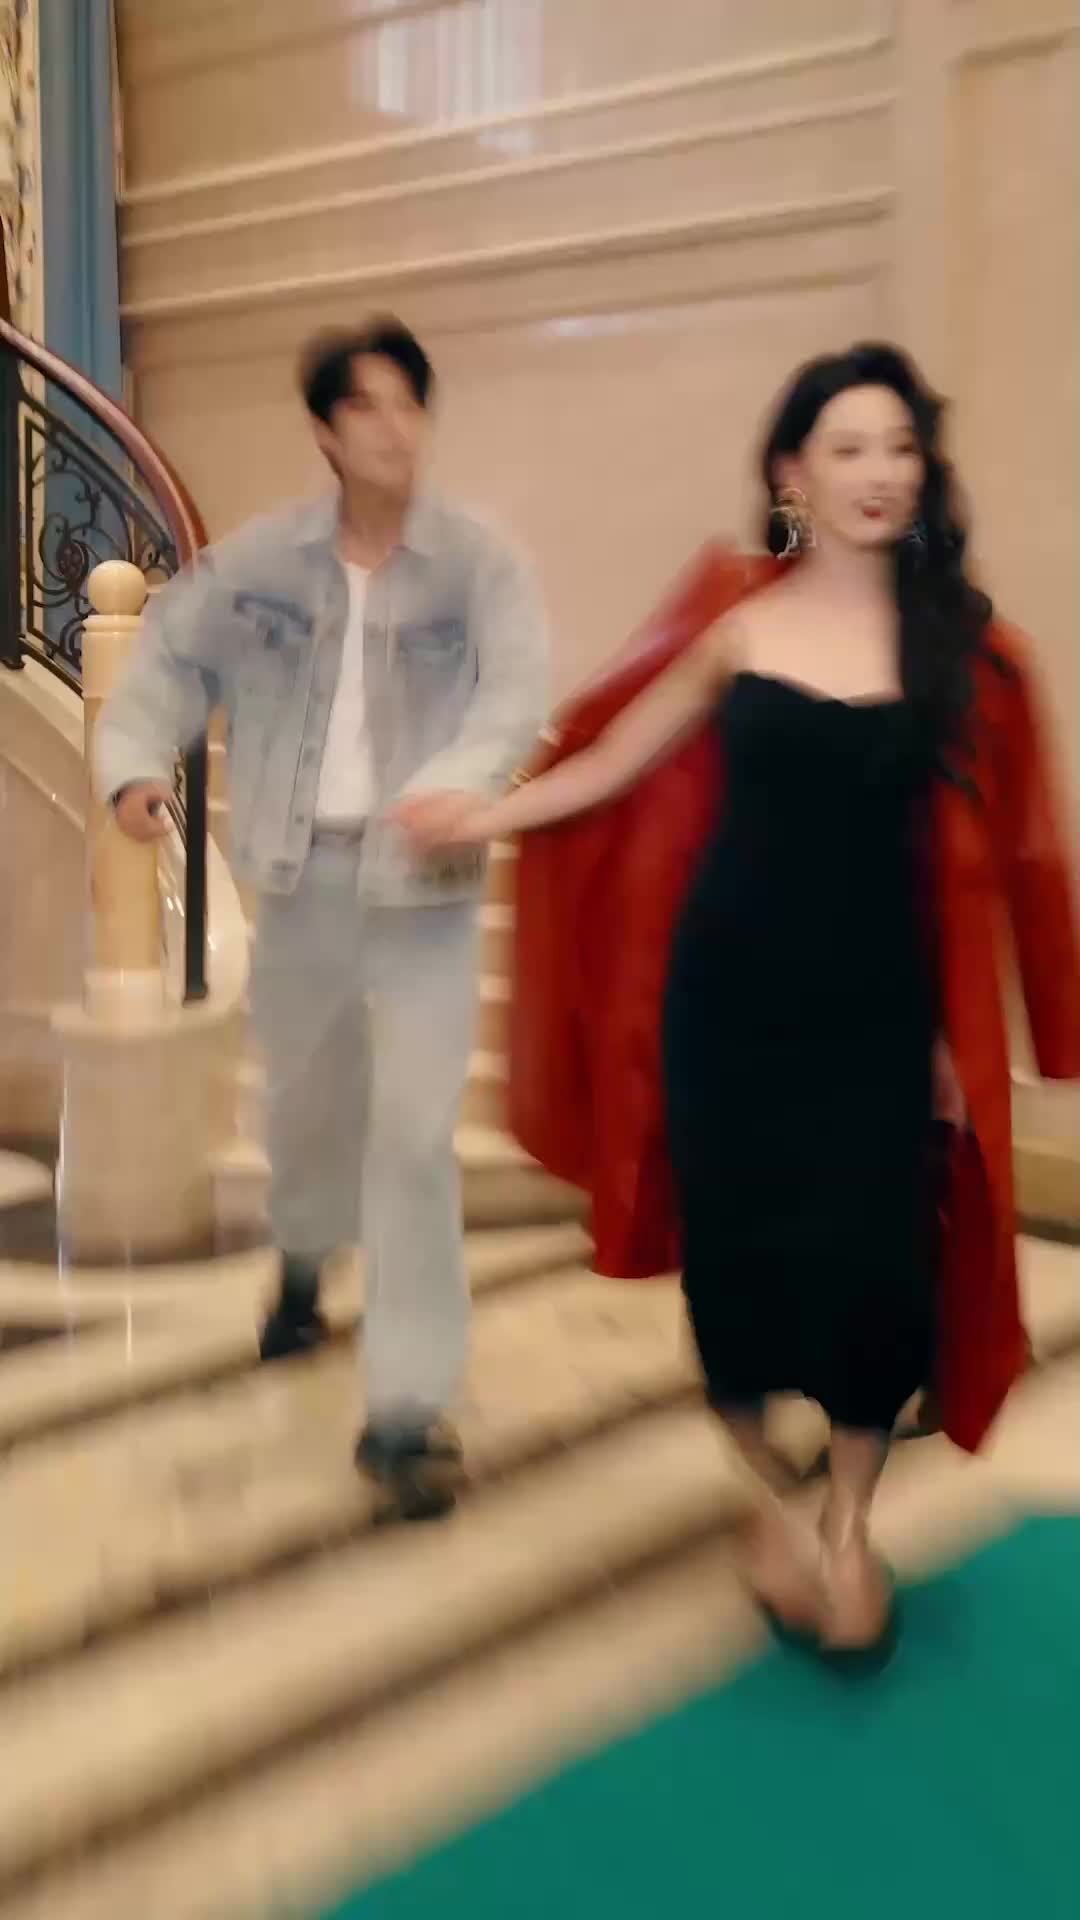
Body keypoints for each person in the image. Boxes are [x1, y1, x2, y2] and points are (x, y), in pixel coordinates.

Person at [393, 343, 1080, 1650]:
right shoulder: (739, 628)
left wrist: (975, 1039)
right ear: (791, 474)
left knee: (881, 1287)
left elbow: (1002, 862)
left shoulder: (963, 652)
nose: (880, 472)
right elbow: (612, 763)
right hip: (728, 1007)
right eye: (849, 448)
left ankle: (847, 1530)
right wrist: (481, 814)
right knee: (741, 1285)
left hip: (880, 1020)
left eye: (900, 447)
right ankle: (771, 1504)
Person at [96, 316, 549, 1520]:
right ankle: (303, 1258)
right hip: (298, 882)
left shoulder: (477, 565)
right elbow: (166, 663)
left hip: (426, 889)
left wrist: (464, 777)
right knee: (308, 1113)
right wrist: (135, 765)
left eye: (409, 404)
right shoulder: (262, 565)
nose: (394, 430)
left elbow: (514, 689)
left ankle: (406, 1410)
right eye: (366, 408)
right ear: (325, 432)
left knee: (412, 1138)